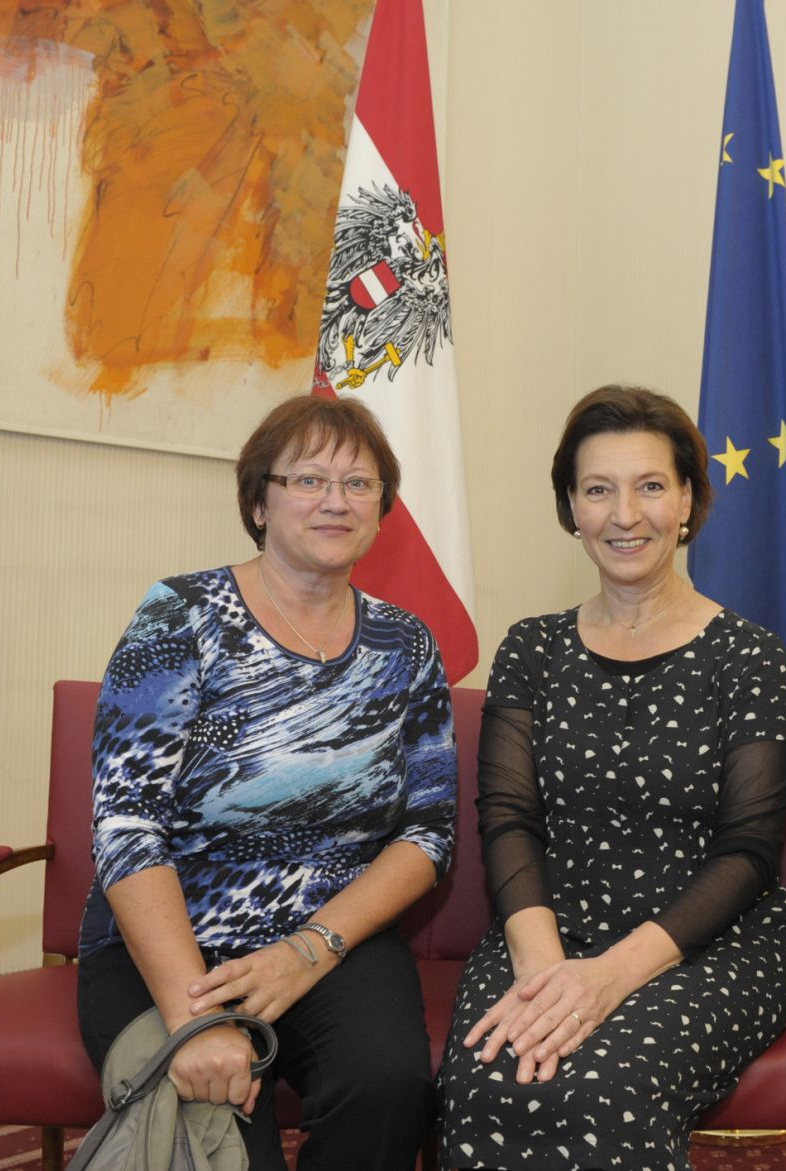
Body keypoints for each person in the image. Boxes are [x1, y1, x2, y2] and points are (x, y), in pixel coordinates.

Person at [77, 395, 456, 1171]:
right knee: (221, 1129)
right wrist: (196, 1017)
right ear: (259, 499)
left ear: (382, 508)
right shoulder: (180, 617)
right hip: (178, 939)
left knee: (388, 1086)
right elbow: (127, 826)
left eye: (358, 483)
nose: (335, 500)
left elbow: (429, 830)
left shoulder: (406, 644)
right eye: (309, 479)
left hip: (334, 935)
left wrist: (310, 948)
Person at [437, 385, 786, 1171]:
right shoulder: (530, 648)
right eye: (598, 489)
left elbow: (749, 850)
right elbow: (508, 819)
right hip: (546, 931)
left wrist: (605, 980)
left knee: (604, 1087)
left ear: (689, 502)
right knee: (484, 1079)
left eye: (650, 485)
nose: (624, 514)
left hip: (707, 944)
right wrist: (544, 974)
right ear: (571, 506)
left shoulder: (749, 655)